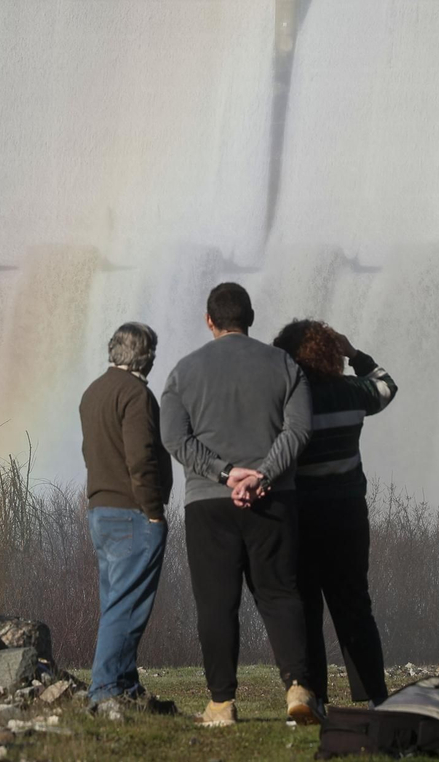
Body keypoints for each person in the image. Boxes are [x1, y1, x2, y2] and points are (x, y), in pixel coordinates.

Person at [160, 282, 320, 727]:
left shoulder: (183, 372)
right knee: (280, 594)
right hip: (275, 500)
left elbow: (174, 437)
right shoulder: (284, 365)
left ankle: (221, 704)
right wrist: (263, 474)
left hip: (208, 505)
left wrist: (224, 473)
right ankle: (298, 688)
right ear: (250, 317)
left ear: (209, 320)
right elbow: (300, 430)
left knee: (216, 603)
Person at [271, 319, 398, 707]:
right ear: (331, 354)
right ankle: (375, 697)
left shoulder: (291, 401)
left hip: (302, 514)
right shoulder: (351, 392)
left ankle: (314, 699)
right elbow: (386, 386)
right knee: (355, 605)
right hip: (348, 515)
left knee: (307, 607)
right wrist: (355, 353)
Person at [79, 321, 176, 714]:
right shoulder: (136, 394)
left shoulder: (93, 391)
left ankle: (125, 683)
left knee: (116, 600)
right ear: (145, 356)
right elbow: (141, 458)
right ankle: (104, 688)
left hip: (100, 511)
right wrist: (154, 512)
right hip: (132, 513)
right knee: (126, 604)